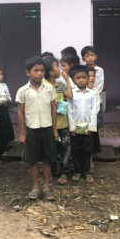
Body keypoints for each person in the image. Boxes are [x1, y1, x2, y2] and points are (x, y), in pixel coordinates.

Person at [16, 55, 58, 201]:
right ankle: (35, 187)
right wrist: (22, 133)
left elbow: (53, 109)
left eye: (42, 70)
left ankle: (46, 187)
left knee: (47, 159)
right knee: (32, 160)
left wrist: (54, 130)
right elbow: (20, 112)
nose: (40, 73)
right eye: (36, 70)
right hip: (31, 129)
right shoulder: (23, 91)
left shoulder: (49, 89)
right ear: (28, 72)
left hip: (47, 128)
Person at [43, 56, 73, 185]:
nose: (60, 69)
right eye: (57, 66)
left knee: (65, 147)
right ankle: (52, 171)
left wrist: (67, 80)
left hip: (62, 122)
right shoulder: (43, 86)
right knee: (50, 148)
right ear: (50, 71)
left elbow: (70, 96)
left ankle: (64, 172)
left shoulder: (60, 84)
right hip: (48, 124)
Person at [68, 65, 98, 183]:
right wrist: (72, 127)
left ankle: (86, 172)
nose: (81, 80)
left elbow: (93, 110)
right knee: (76, 149)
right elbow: (69, 111)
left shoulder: (91, 93)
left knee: (87, 149)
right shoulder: (72, 93)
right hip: (76, 126)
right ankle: (77, 171)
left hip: (87, 126)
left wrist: (91, 127)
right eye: (78, 78)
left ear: (88, 79)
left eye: (84, 77)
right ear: (73, 79)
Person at [81, 46, 104, 174]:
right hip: (83, 103)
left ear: (96, 56)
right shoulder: (82, 70)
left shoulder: (100, 70)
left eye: (92, 55)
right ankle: (86, 157)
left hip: (95, 101)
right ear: (83, 58)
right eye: (87, 55)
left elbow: (99, 86)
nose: (90, 57)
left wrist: (90, 91)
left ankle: (92, 157)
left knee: (93, 130)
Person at [0, 65, 14, 159]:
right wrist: (3, 99)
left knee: (6, 129)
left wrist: (6, 98)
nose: (1, 77)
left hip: (3, 110)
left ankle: (5, 149)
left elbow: (8, 97)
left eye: (1, 75)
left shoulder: (4, 85)